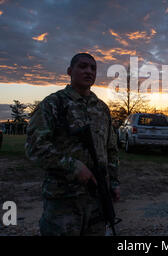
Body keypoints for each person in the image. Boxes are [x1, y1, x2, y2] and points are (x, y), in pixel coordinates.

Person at [25, 52, 120, 236]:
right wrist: (73, 166)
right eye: (82, 66)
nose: (89, 71)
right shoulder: (54, 104)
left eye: (93, 68)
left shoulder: (101, 108)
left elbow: (111, 149)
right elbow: (34, 146)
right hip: (63, 201)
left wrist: (114, 182)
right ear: (70, 71)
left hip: (97, 199)